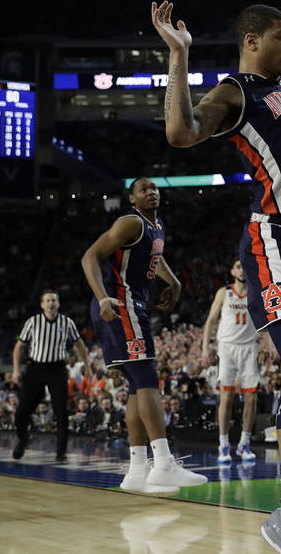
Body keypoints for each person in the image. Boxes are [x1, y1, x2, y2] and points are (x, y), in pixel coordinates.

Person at [151, 0, 281, 552]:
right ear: (250, 41)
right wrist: (179, 56)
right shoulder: (237, 91)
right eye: (279, 37)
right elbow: (181, 130)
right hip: (277, 238)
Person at [80, 177, 204, 496]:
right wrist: (103, 296)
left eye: (154, 188)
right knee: (148, 379)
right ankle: (163, 462)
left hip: (132, 304)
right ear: (132, 199)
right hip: (120, 303)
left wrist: (173, 282)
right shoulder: (130, 221)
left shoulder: (155, 226)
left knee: (137, 385)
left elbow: (155, 257)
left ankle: (137, 470)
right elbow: (90, 257)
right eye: (143, 189)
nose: (151, 192)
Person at [11, 290, 90, 461]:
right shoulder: (33, 322)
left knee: (61, 410)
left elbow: (79, 344)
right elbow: (19, 346)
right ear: (42, 305)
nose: (51, 303)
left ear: (58, 304)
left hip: (57, 369)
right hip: (35, 368)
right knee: (22, 410)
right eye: (47, 301)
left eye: (54, 300)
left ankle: (61, 452)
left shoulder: (67, 322)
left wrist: (87, 366)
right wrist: (16, 370)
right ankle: (23, 440)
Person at [202, 258, 259, 464]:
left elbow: (265, 319)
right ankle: (223, 443)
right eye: (237, 266)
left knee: (251, 398)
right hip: (227, 347)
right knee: (227, 395)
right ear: (232, 271)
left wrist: (269, 342)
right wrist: (205, 348)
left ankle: (244, 443)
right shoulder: (223, 292)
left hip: (249, 346)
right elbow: (210, 321)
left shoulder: (256, 291)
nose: (242, 270)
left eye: (244, 266)